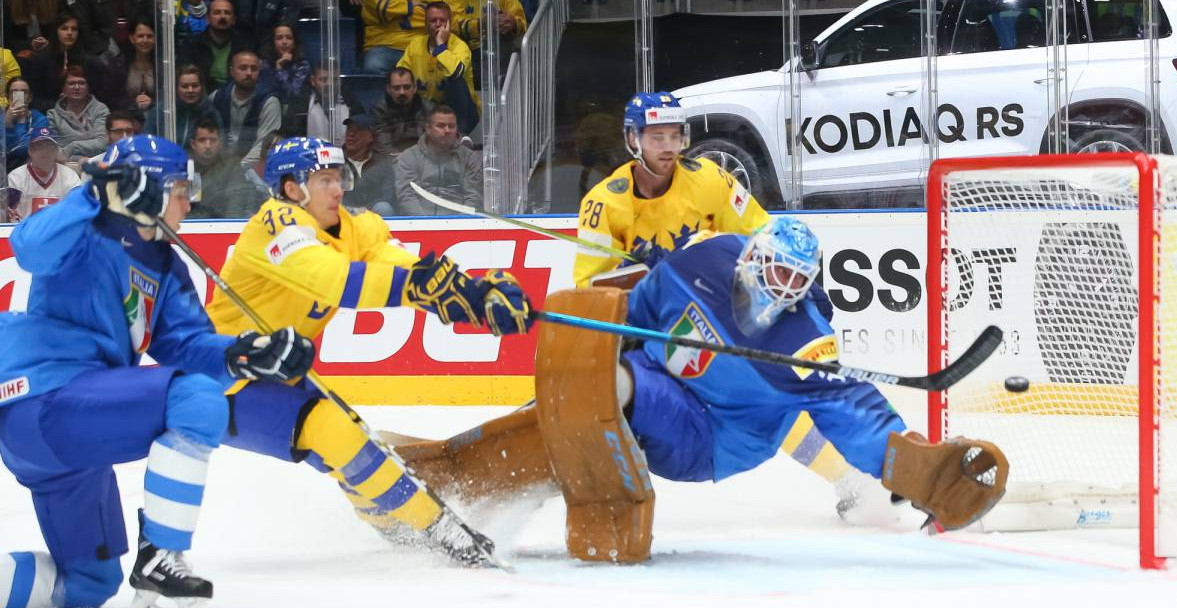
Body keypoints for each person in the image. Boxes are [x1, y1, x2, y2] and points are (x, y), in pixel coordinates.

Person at [395, 218, 1010, 563]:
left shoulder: (805, 345)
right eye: (777, 271)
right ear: (750, 259)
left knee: (607, 387)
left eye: (799, 281)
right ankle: (462, 477)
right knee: (588, 380)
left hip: (714, 439)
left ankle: (506, 486)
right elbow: (641, 310)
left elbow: (856, 415)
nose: (785, 288)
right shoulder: (706, 259)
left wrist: (918, 468)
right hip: (664, 384)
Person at [0, 134, 313, 608]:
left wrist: (246, 354)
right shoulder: (87, 226)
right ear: (147, 186)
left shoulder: (166, 267)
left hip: (73, 434)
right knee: (196, 398)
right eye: (183, 190)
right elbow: (28, 248)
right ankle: (160, 558)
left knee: (87, 581)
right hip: (45, 400)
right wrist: (95, 194)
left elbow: (187, 345)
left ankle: (129, 575)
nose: (190, 203)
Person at [206, 136, 532, 564]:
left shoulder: (354, 227)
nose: (338, 189)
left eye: (338, 177)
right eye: (324, 180)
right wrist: (417, 287)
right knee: (336, 432)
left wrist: (474, 295)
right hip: (220, 377)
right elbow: (332, 280)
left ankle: (399, 528)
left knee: (354, 448)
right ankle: (442, 533)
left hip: (278, 369)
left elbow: (404, 269)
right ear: (291, 189)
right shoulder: (275, 226)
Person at [574, 91, 770, 287]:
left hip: (706, 304)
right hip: (641, 313)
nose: (669, 147)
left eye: (675, 136)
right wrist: (628, 275)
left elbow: (761, 235)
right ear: (633, 138)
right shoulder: (602, 203)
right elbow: (587, 291)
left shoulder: (710, 179)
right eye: (658, 138)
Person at [398, 2, 480, 136]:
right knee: (399, 85)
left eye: (443, 21)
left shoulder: (460, 46)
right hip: (427, 111)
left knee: (455, 80)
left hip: (463, 113)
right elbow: (401, 74)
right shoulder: (415, 45)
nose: (438, 24)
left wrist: (440, 46)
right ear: (425, 24)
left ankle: (459, 134)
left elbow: (456, 72)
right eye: (433, 20)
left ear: (449, 24)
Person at [393, 105, 482, 216]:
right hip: (419, 225)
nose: (447, 130)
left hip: (459, 224)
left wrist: (458, 224)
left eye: (451, 126)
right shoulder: (408, 157)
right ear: (428, 129)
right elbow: (407, 197)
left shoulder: (469, 158)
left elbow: (474, 197)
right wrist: (426, 224)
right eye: (441, 126)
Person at [209, 50, 282, 165]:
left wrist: (237, 170)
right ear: (231, 71)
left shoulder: (269, 102)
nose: (249, 73)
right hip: (218, 166)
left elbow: (263, 147)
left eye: (254, 69)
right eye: (243, 68)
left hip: (252, 169)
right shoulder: (217, 97)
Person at [6, 127, 81, 221]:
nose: (44, 152)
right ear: (30, 150)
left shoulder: (70, 176)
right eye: (39, 147)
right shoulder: (16, 178)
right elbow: (9, 214)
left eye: (49, 147)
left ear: (56, 151)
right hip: (25, 233)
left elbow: (77, 211)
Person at [188, 116, 256, 218]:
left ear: (220, 142)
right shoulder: (185, 167)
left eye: (213, 140)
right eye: (202, 140)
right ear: (193, 144)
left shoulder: (232, 167)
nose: (208, 145)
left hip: (223, 226)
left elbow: (235, 208)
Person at [178, 0, 254, 92]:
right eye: (217, 13)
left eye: (227, 13)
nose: (222, 17)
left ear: (234, 20)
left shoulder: (244, 45)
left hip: (234, 94)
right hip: (201, 96)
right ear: (208, 18)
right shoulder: (192, 44)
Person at [47, 65, 111, 165]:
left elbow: (103, 143)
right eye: (71, 83)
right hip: (65, 165)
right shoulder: (53, 115)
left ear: (88, 87)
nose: (76, 87)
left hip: (97, 163)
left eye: (81, 83)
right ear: (63, 88)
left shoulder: (100, 110)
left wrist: (72, 147)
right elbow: (56, 151)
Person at [145, 65, 220, 145]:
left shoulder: (211, 113)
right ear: (176, 88)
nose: (190, 90)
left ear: (202, 87)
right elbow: (146, 142)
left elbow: (219, 145)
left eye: (195, 86)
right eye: (184, 86)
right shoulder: (160, 112)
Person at [342, 114, 396, 214]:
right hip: (345, 212)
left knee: (384, 207)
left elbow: (387, 196)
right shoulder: (337, 161)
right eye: (349, 130)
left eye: (358, 130)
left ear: (370, 137)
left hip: (373, 212)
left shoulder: (383, 163)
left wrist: (364, 211)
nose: (351, 134)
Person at [371, 67, 432, 155]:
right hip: (391, 159)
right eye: (396, 88)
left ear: (414, 88)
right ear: (388, 89)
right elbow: (383, 146)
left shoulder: (428, 108)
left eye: (407, 87)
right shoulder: (380, 109)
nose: (402, 92)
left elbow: (434, 143)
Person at [256, 22, 311, 106]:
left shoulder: (302, 65)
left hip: (293, 112)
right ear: (273, 43)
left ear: (294, 43)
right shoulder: (263, 64)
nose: (284, 42)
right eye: (279, 38)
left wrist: (280, 70)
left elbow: (292, 95)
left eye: (289, 38)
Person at [3, 78, 49, 168]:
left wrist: (19, 122)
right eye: (14, 92)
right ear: (7, 97)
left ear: (30, 98)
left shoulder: (40, 120)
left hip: (28, 168)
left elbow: (26, 150)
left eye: (24, 92)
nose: (19, 96)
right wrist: (7, 122)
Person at [116, 17, 158, 115]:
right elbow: (113, 98)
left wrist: (152, 102)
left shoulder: (162, 65)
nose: (145, 40)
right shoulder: (119, 65)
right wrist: (134, 101)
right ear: (132, 38)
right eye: (140, 36)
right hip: (126, 117)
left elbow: (168, 97)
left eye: (150, 36)